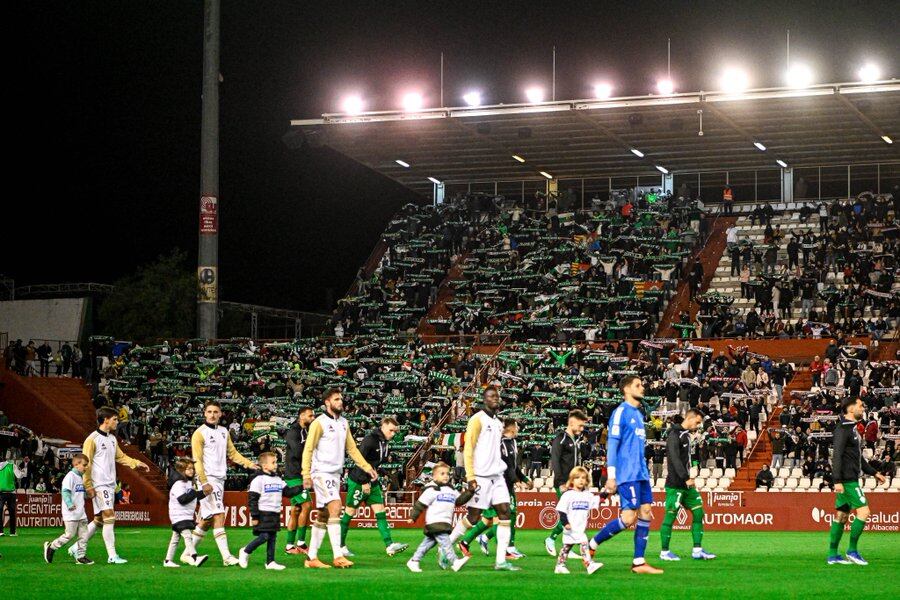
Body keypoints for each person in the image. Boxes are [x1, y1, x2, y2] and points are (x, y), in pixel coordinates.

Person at [588, 376, 663, 574]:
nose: (643, 387)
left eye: (642, 384)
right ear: (627, 389)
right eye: (638, 385)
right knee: (629, 518)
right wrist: (611, 476)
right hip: (627, 473)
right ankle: (592, 544)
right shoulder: (620, 412)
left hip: (641, 473)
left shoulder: (638, 414)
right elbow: (612, 444)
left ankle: (639, 562)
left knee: (646, 512)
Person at [301, 388, 377, 569]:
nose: (340, 402)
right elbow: (309, 449)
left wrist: (367, 467)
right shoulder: (318, 423)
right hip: (321, 472)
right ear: (327, 402)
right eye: (336, 399)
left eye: (341, 399)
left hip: (335, 474)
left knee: (323, 514)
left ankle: (311, 558)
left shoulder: (344, 423)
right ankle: (338, 556)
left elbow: (352, 449)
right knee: (336, 506)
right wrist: (306, 473)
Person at [448, 386, 518, 571]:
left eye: (497, 396)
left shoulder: (498, 422)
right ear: (484, 399)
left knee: (505, 513)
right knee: (473, 517)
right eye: (491, 396)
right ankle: (445, 548)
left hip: (497, 477)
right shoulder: (477, 420)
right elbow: (469, 448)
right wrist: (470, 476)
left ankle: (501, 561)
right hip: (481, 477)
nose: (495, 398)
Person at [191, 400, 259, 566]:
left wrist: (249, 464)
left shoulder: (223, 431)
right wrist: (204, 481)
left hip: (219, 479)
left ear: (220, 414)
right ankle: (227, 557)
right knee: (219, 515)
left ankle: (188, 552)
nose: (213, 415)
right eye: (209, 412)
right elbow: (196, 460)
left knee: (206, 520)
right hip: (208, 480)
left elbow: (233, 453)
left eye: (215, 412)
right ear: (204, 414)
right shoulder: (199, 433)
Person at [82, 406, 150, 563]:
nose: (117, 422)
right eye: (115, 419)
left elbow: (120, 457)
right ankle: (112, 556)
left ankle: (77, 546)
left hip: (109, 484)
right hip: (99, 485)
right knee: (109, 517)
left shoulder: (112, 439)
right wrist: (88, 485)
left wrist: (137, 462)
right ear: (106, 420)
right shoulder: (92, 440)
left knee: (99, 520)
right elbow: (86, 464)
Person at [460, 417, 532, 560]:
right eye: (516, 426)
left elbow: (513, 467)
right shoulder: (500, 444)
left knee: (489, 520)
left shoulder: (512, 443)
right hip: (498, 486)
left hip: (505, 485)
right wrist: (517, 481)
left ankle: (466, 541)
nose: (518, 429)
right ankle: (506, 549)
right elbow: (503, 467)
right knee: (505, 517)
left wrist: (523, 479)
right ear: (511, 428)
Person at [826, 397, 886, 565]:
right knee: (864, 512)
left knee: (842, 516)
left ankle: (833, 555)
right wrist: (836, 480)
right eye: (860, 405)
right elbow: (836, 455)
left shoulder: (853, 430)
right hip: (847, 481)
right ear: (851, 409)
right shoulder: (843, 429)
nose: (863, 407)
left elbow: (858, 458)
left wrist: (874, 473)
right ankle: (852, 551)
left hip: (847, 479)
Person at [340, 416, 408, 558]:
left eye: (395, 431)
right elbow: (359, 460)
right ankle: (339, 545)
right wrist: (364, 481)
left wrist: (378, 473)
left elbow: (374, 462)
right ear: (383, 427)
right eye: (391, 430)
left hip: (372, 480)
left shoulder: (385, 442)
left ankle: (389, 545)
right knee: (349, 512)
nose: (393, 434)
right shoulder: (369, 440)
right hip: (359, 481)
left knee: (380, 512)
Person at [659, 410, 716, 561]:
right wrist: (686, 478)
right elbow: (674, 459)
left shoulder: (685, 435)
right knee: (670, 516)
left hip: (686, 485)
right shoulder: (673, 435)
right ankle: (664, 552)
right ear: (690, 418)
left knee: (699, 513)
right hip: (675, 485)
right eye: (697, 422)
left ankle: (697, 550)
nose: (698, 425)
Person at [238, 452, 305, 570]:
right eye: (273, 462)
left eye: (276, 462)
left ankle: (270, 562)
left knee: (272, 537)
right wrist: (254, 516)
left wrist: (302, 487)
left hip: (275, 513)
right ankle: (246, 550)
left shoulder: (278, 479)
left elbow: (288, 492)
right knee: (264, 536)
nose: (276, 465)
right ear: (264, 466)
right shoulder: (258, 480)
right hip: (263, 513)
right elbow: (252, 499)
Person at [405, 461, 473, 573]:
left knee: (428, 543)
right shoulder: (431, 490)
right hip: (435, 521)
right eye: (442, 474)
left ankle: (414, 560)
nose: (446, 476)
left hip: (445, 521)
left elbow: (459, 501)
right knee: (445, 541)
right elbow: (419, 504)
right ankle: (455, 562)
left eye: (447, 473)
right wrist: (413, 517)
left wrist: (470, 492)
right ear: (434, 476)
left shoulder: (451, 489)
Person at [544, 409, 588, 556]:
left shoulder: (574, 440)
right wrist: (561, 482)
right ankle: (551, 539)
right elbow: (555, 460)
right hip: (563, 484)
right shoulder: (560, 438)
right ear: (572, 422)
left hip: (573, 484)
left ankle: (567, 548)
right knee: (567, 515)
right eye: (580, 426)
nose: (582, 429)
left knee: (573, 516)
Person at [43, 454, 93, 565]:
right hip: (71, 513)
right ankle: (52, 547)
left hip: (81, 512)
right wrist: (69, 504)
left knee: (84, 536)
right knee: (69, 535)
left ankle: (81, 556)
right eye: (84, 465)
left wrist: (88, 495)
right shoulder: (70, 476)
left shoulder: (80, 477)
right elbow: (65, 492)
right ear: (76, 464)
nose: (86, 467)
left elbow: (79, 494)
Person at [554, 466, 604, 575]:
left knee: (567, 547)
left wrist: (608, 492)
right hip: (571, 526)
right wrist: (565, 523)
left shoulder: (587, 495)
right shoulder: (568, 495)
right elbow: (561, 511)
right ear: (572, 480)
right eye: (577, 477)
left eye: (583, 478)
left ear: (587, 480)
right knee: (584, 542)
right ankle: (589, 564)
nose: (581, 480)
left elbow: (598, 500)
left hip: (580, 526)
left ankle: (560, 565)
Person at [163, 458, 209, 568]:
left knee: (175, 539)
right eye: (188, 469)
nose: (192, 471)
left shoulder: (188, 483)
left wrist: (205, 493)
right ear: (181, 470)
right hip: (178, 515)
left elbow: (193, 497)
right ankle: (194, 557)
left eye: (192, 469)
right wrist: (194, 491)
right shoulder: (179, 484)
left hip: (184, 515)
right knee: (187, 535)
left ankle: (167, 561)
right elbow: (182, 499)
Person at [283, 406, 315, 555]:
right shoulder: (294, 432)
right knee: (307, 505)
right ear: (301, 416)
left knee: (296, 510)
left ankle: (290, 545)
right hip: (294, 475)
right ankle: (301, 543)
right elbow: (297, 452)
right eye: (310, 416)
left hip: (297, 475)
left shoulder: (303, 431)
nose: (312, 418)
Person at [0, 456, 25, 536]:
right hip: (11, 492)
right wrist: (22, 472)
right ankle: (12, 532)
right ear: (5, 459)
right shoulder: (11, 465)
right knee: (12, 512)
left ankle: (0, 532)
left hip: (1, 493)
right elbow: (19, 476)